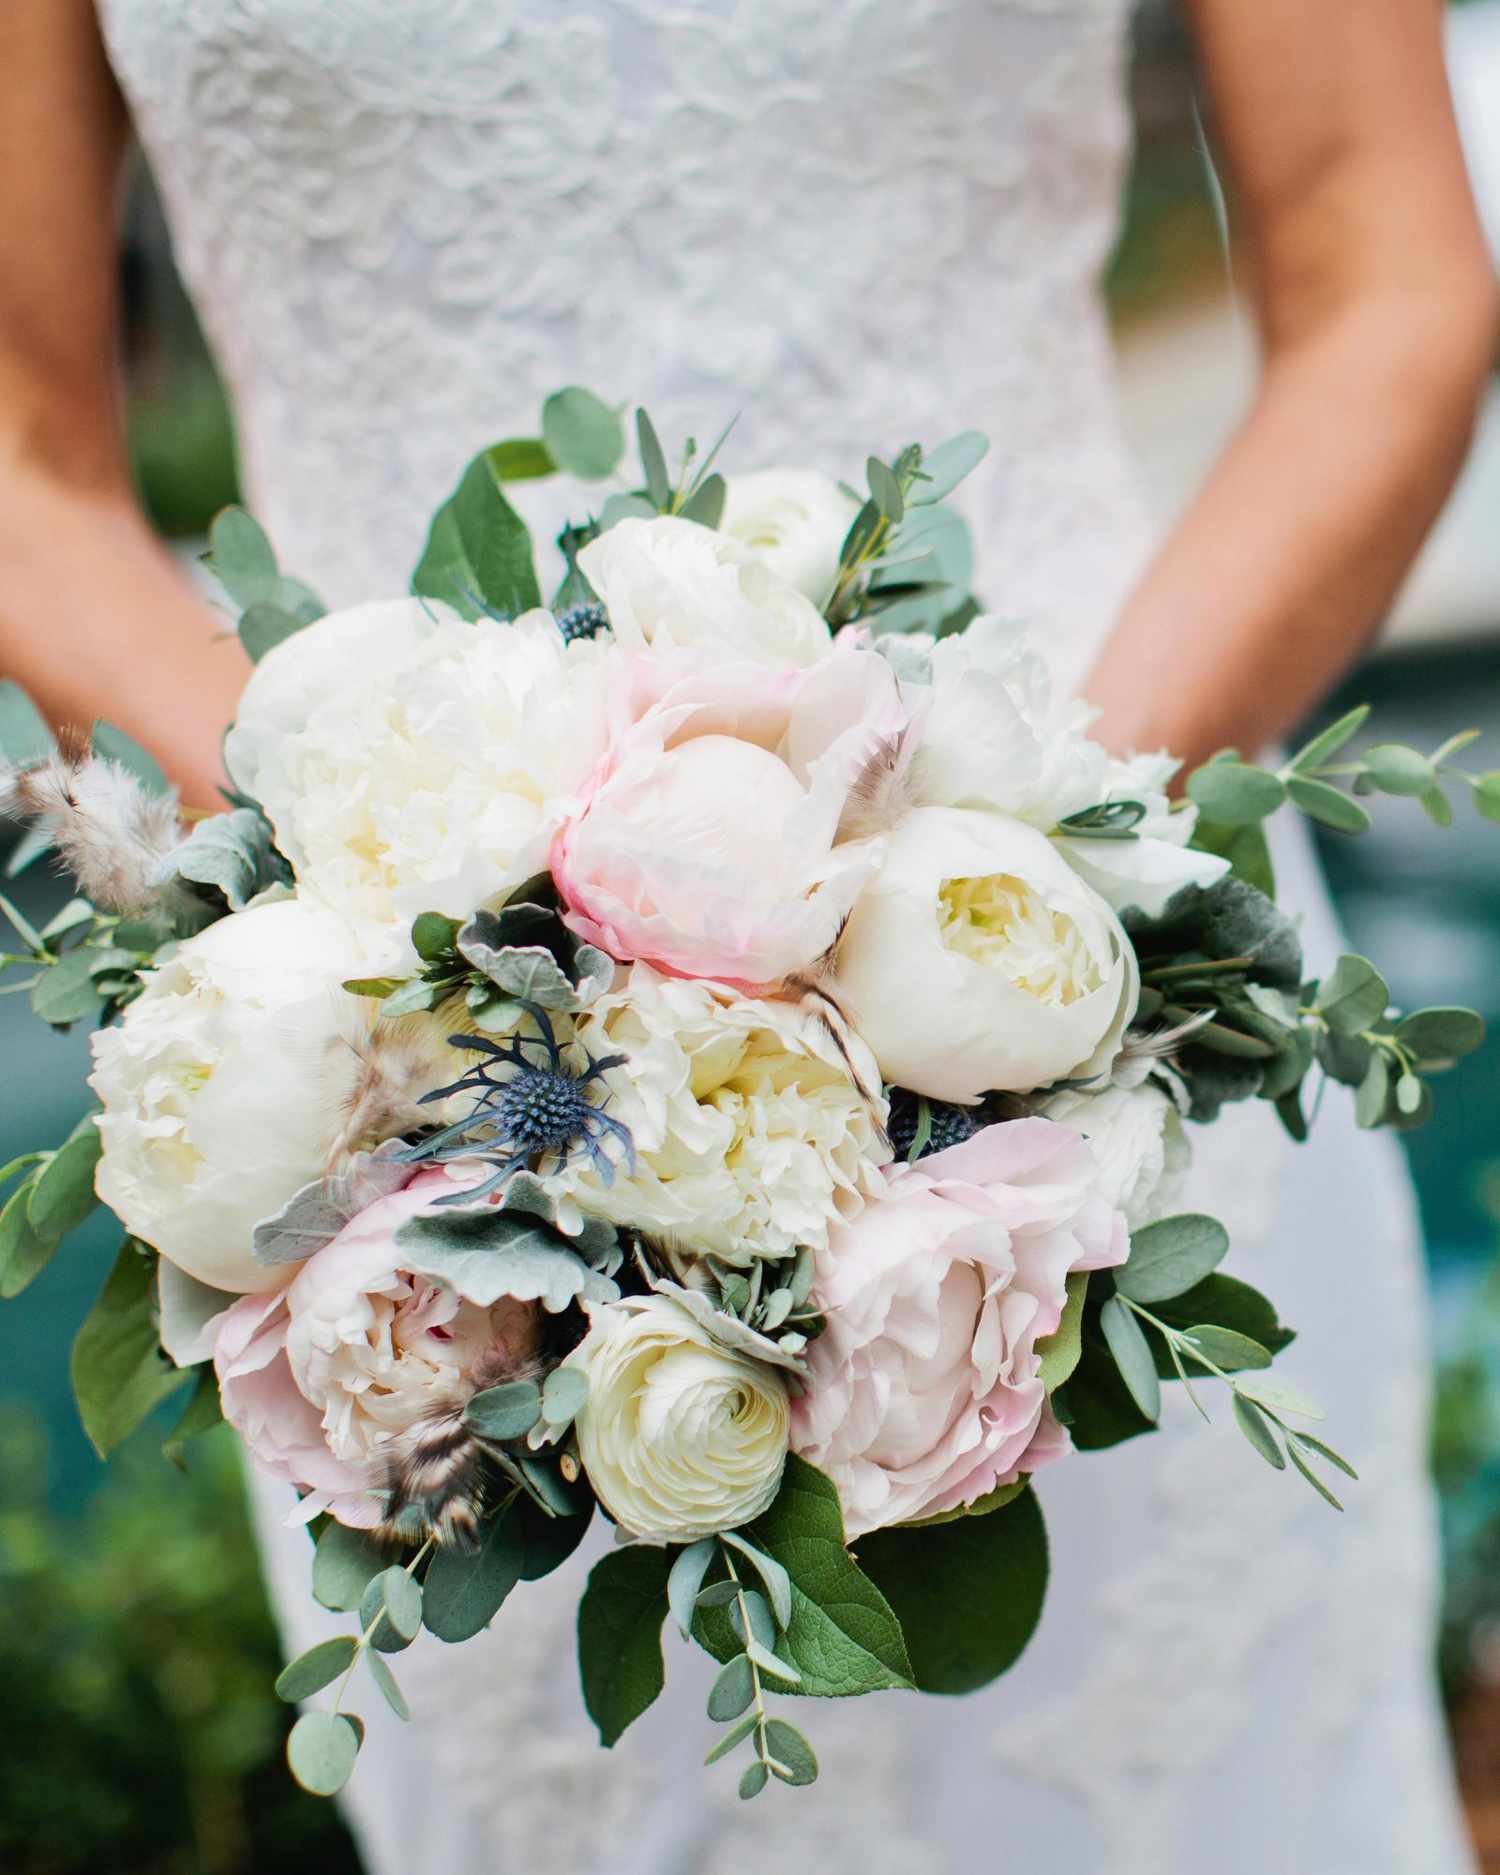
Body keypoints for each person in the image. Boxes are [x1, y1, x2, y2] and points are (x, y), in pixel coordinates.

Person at [2, 3, 1494, 1870]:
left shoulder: (1050, 921)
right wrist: (384, 920)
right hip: (427, 1145)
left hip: (1077, 994)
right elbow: (22, 448)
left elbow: (1389, 281)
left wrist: (1019, 870)